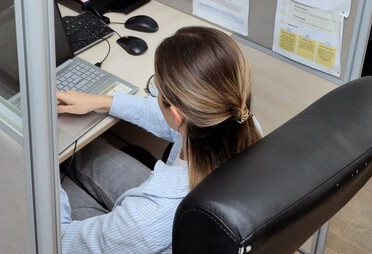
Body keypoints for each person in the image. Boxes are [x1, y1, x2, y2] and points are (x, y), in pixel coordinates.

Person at [56, 26, 262, 252]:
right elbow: (166, 116)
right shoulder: (241, 122)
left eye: (158, 86)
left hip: (142, 227)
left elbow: (61, 242)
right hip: (163, 222)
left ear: (177, 114)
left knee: (59, 182)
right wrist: (102, 102)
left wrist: (41, 165)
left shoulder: (144, 217)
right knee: (85, 150)